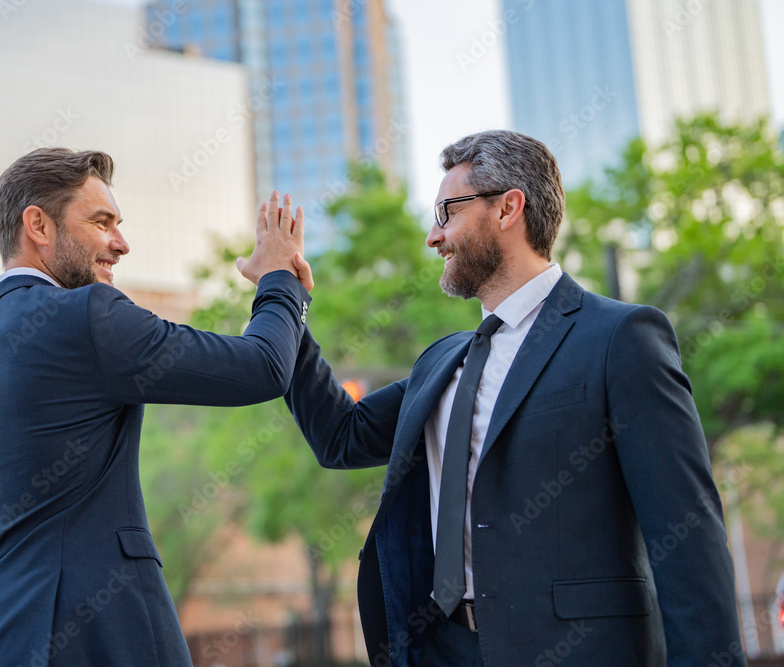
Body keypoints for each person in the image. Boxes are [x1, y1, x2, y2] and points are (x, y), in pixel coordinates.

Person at [281, 130, 743, 666]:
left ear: (508, 208)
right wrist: (284, 301)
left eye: (447, 211)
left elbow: (688, 536)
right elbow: (341, 437)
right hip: (443, 650)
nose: (434, 236)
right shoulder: (440, 362)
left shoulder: (622, 339)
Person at [0, 147, 312, 666]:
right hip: (94, 641)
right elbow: (262, 367)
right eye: (101, 223)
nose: (121, 244)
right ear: (38, 224)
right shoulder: (88, 317)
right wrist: (278, 281)